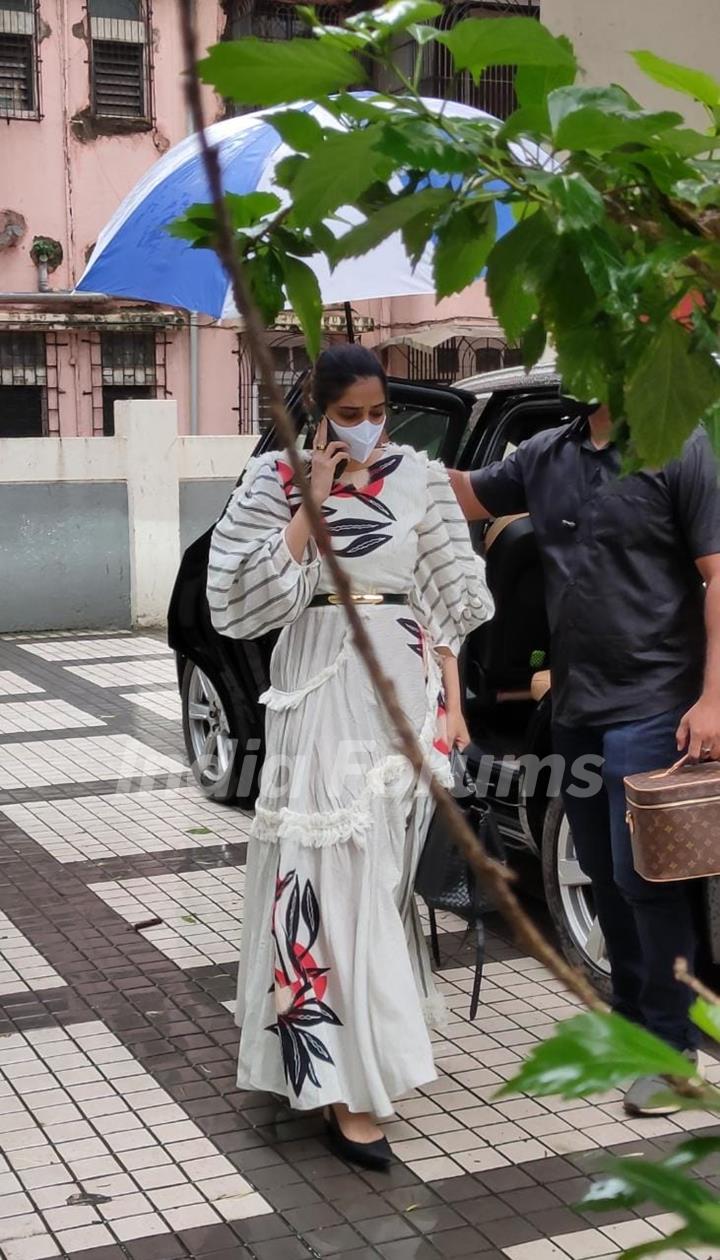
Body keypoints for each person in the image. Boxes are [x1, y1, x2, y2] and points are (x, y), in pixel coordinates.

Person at [207, 345, 493, 1167]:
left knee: (381, 875)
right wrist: (309, 510)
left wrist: (453, 702)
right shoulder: (272, 481)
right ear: (318, 413)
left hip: (399, 690)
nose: (369, 429)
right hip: (320, 686)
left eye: (379, 412)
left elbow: (448, 599)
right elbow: (234, 604)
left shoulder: (421, 477)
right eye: (351, 415)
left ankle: (361, 1059)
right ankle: (336, 1083)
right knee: (321, 870)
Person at [449, 401, 720, 1115]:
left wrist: (713, 699)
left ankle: (673, 1054)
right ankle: (635, 1029)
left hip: (658, 700)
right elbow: (468, 491)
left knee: (647, 884)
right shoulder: (545, 453)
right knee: (602, 874)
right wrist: (377, 456)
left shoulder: (679, 441)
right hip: (575, 708)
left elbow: (719, 575)